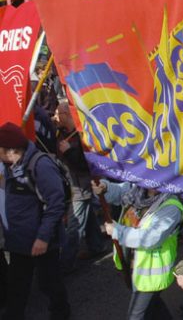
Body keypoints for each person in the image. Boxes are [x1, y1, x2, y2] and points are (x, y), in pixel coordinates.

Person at [0, 122, 70, 320]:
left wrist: (43, 238)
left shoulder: (40, 165)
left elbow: (55, 205)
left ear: (10, 150)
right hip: (19, 241)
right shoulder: (10, 166)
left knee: (50, 283)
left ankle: (61, 313)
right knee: (17, 287)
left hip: (42, 242)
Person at [93, 179, 183, 319]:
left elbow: (151, 238)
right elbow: (119, 192)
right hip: (132, 266)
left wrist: (118, 231)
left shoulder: (172, 206)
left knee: (136, 316)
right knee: (154, 308)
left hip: (149, 275)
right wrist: (105, 187)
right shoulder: (137, 190)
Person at [53, 99, 105, 271]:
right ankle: (97, 246)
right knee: (88, 218)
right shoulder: (60, 133)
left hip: (80, 186)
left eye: (58, 113)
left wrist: (69, 151)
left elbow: (87, 164)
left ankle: (65, 265)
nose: (55, 117)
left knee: (75, 227)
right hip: (71, 184)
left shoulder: (81, 134)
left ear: (67, 115)